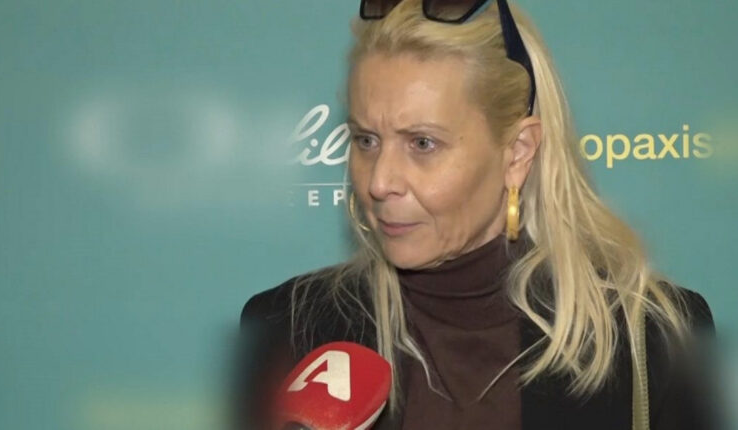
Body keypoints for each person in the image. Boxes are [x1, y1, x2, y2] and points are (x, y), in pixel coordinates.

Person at [230, 0, 723, 429]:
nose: (379, 181)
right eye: (366, 140)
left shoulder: (656, 342)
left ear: (517, 153)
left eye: (422, 143)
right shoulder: (284, 331)